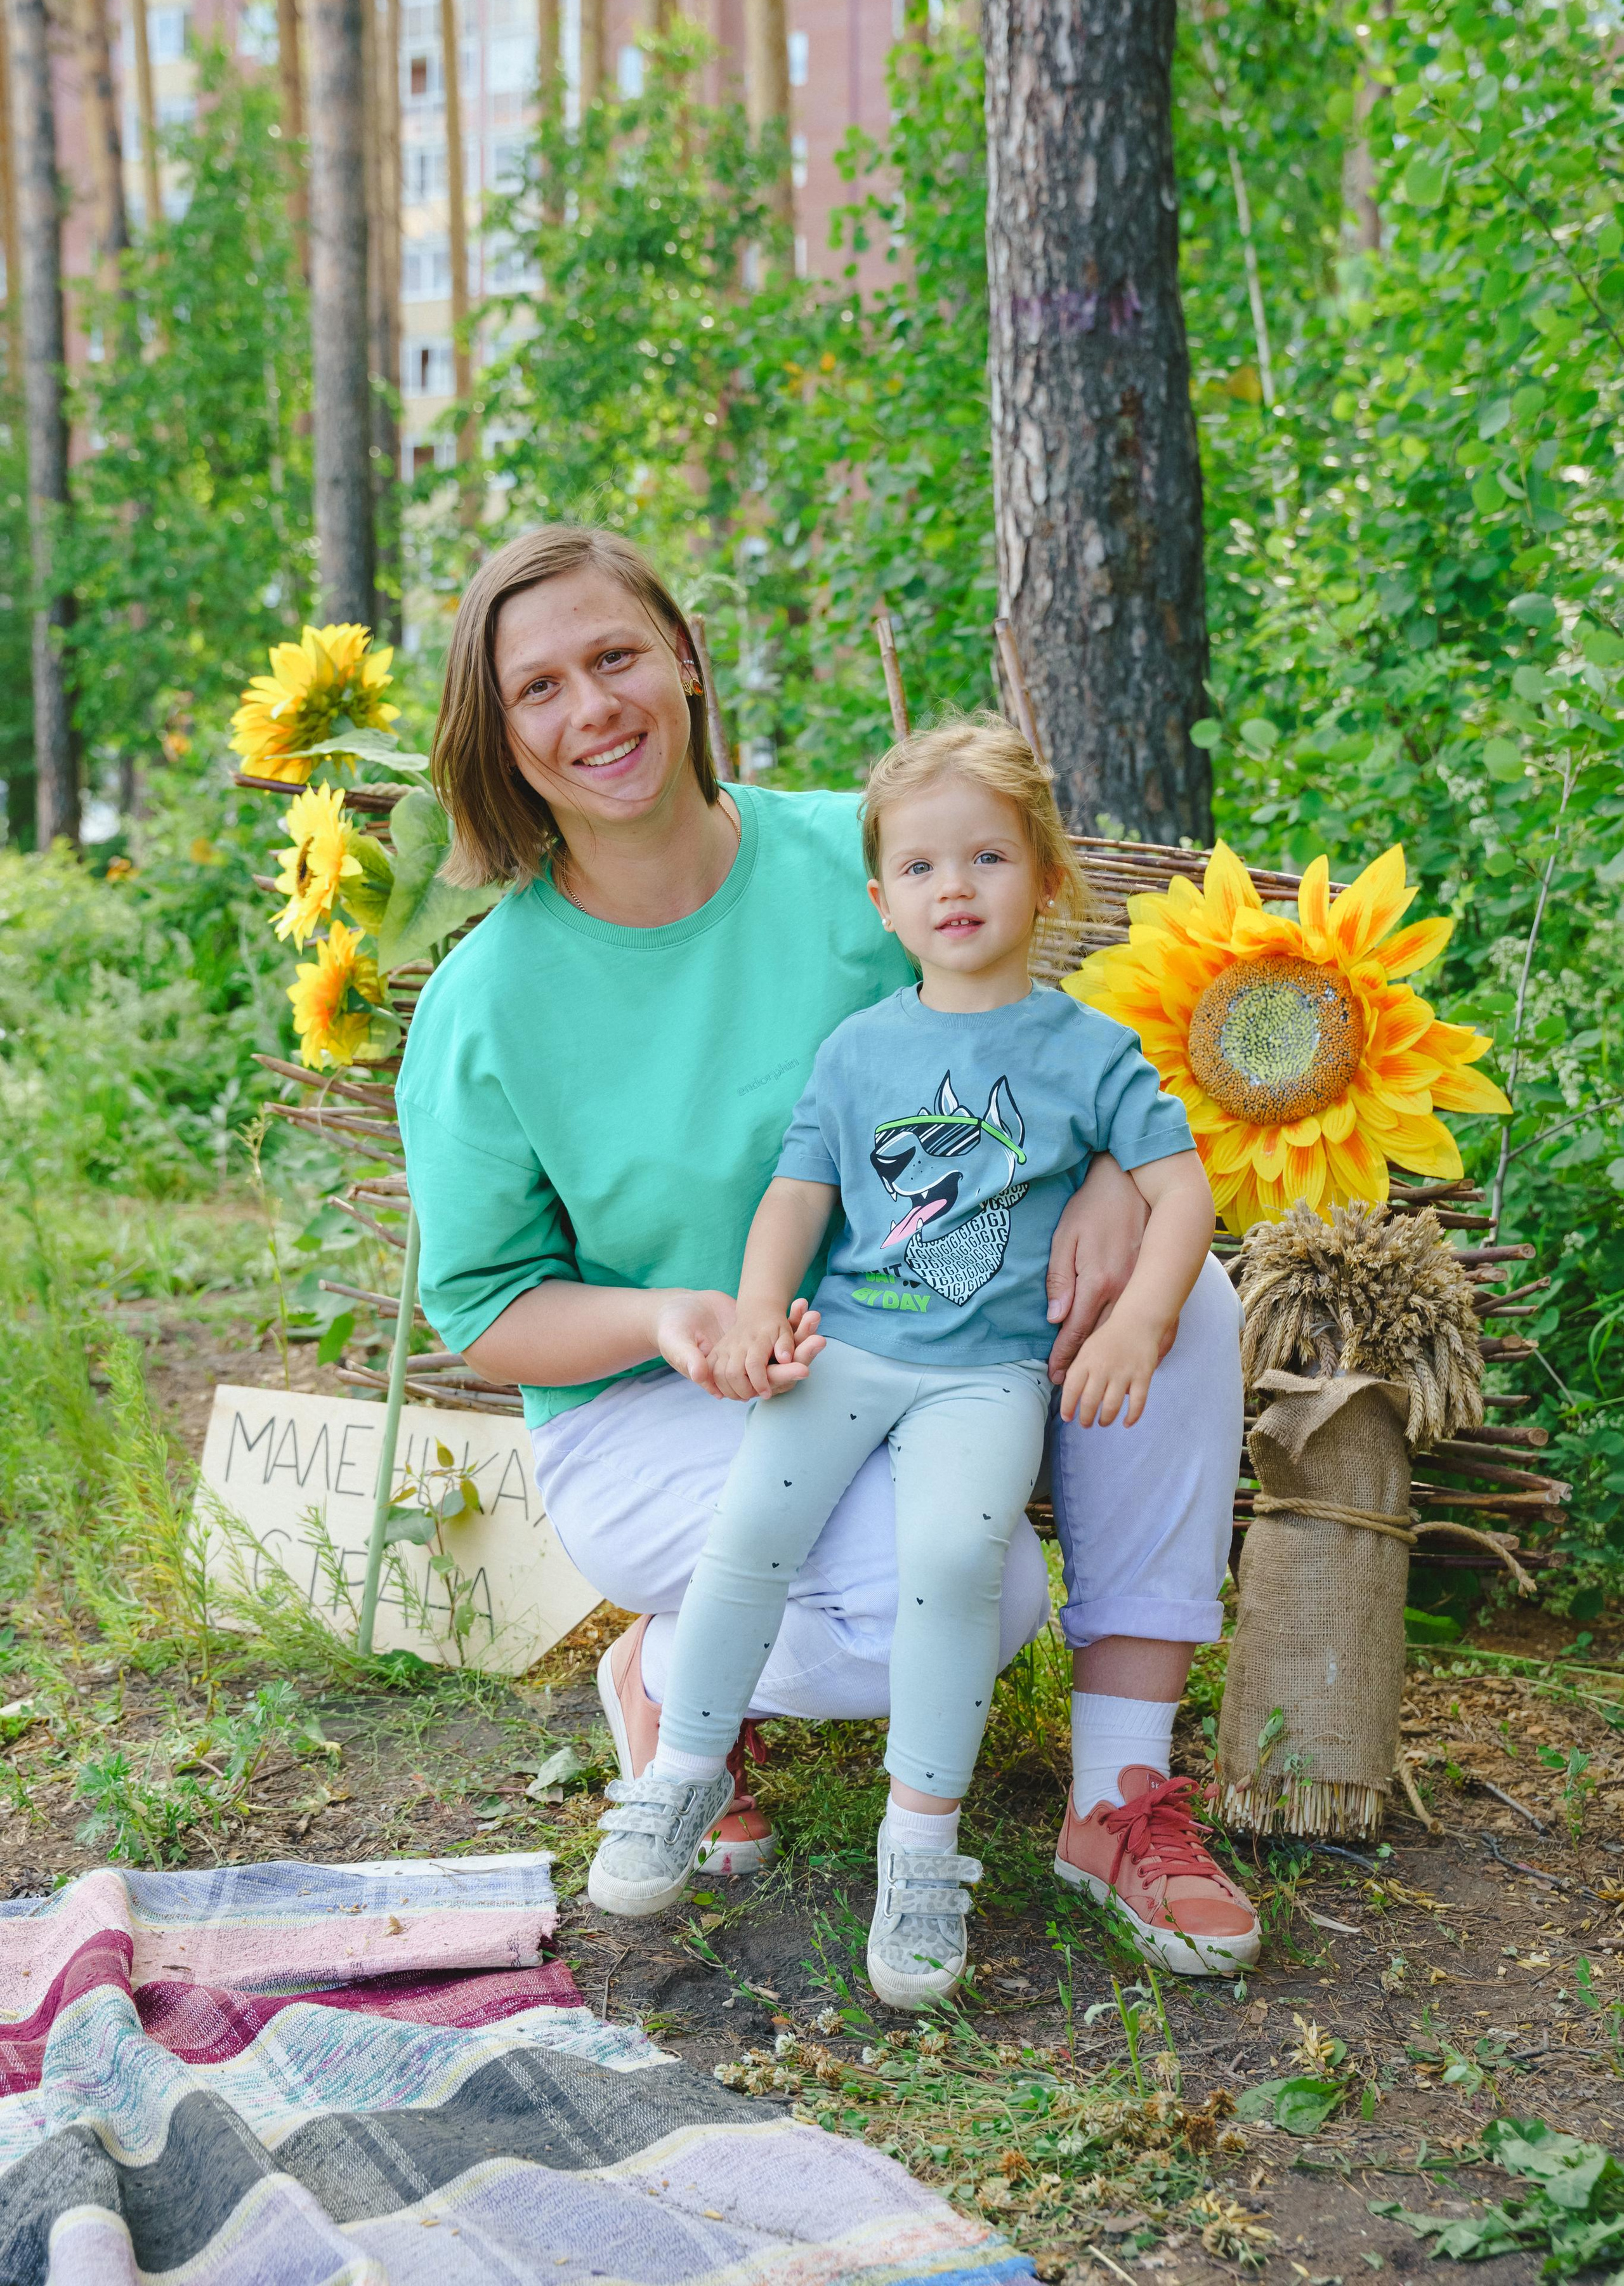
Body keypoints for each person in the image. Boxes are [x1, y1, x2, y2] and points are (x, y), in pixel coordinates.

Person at [395, 523, 1258, 1973]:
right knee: (980, 1596)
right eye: (538, 688)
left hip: (923, 1333)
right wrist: (669, 1319)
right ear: (499, 733)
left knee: (1189, 1301)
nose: (590, 709)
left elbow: (1047, 1035)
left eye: (613, 657)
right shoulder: (487, 1002)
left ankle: (1117, 1794)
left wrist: (1115, 1174)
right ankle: (670, 1678)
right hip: (657, 1402)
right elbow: (487, 1310)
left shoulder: (848, 862)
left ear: (683, 659)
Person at [584, 721, 1236, 2004]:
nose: (955, 888)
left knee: (951, 1563)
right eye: (922, 867)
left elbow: (1183, 1193)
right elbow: (798, 1194)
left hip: (985, 1378)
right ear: (882, 902)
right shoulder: (858, 1048)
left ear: (1045, 879)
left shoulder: (1086, 1051)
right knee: (750, 1531)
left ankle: (921, 1854)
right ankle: (680, 1773)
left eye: (988, 857)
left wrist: (1139, 1324)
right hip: (848, 1350)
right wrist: (759, 1313)